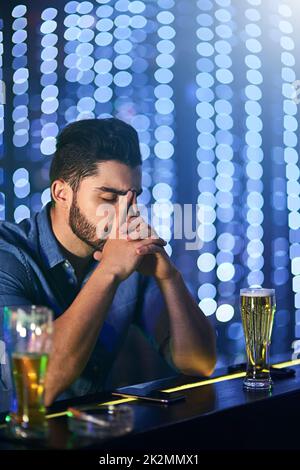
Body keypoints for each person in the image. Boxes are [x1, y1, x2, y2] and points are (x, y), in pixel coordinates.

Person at [0, 118, 216, 405]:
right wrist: (109, 271)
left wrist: (170, 278)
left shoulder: (129, 254)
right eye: (109, 197)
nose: (126, 213)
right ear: (61, 193)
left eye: (133, 197)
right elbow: (38, 385)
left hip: (92, 435)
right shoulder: (8, 257)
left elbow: (198, 362)